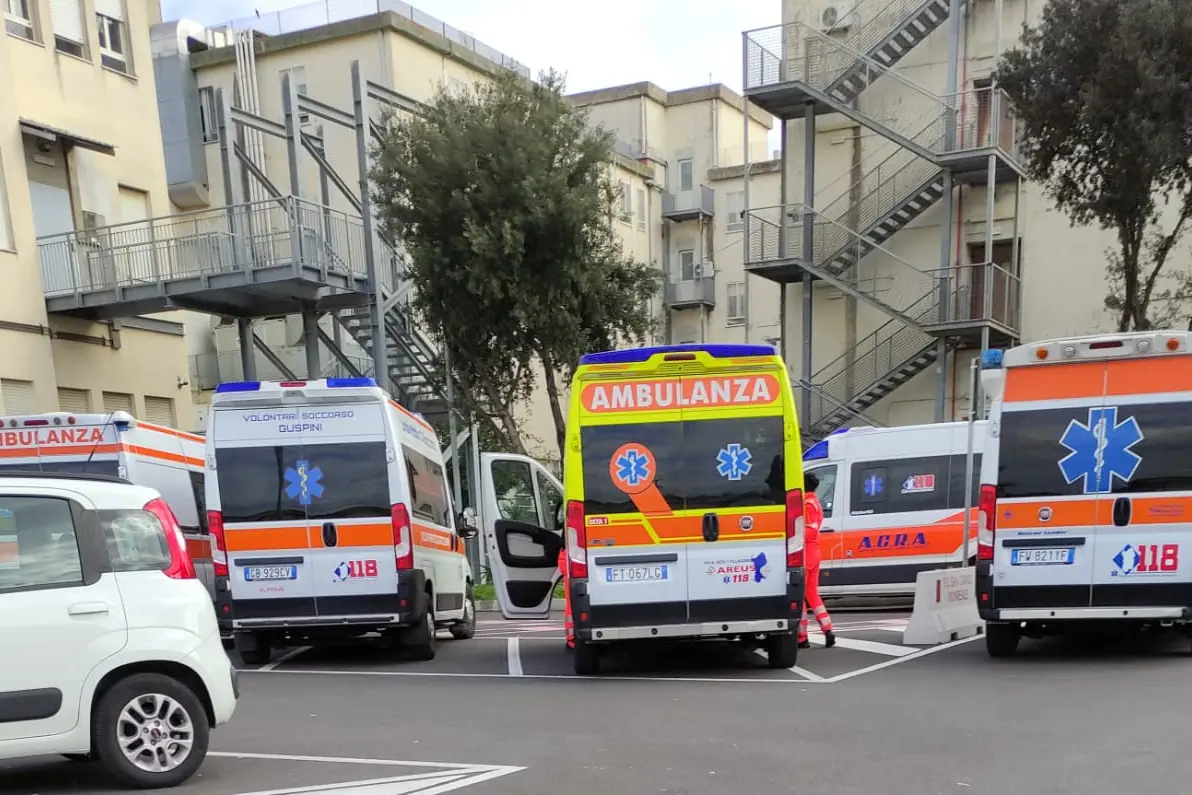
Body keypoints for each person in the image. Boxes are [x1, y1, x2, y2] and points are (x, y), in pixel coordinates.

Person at [799, 471, 835, 649]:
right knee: (812, 594)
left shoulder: (806, 504)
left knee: (800, 596)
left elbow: (810, 530)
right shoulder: (816, 502)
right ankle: (827, 629)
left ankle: (801, 637)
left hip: (806, 553)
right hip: (814, 552)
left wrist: (794, 534)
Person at [557, 546, 575, 650]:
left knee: (570, 606)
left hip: (567, 562)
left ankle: (571, 637)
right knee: (571, 607)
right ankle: (571, 637)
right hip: (570, 563)